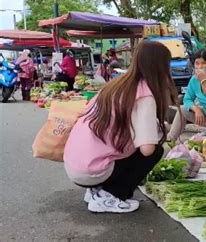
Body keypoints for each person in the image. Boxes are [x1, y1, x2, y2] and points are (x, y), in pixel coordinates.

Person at [63, 41, 178, 213]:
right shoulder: (144, 95)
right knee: (156, 151)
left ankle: (96, 190)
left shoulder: (116, 85)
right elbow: (147, 149)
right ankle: (110, 195)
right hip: (92, 170)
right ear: (160, 67)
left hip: (74, 165)